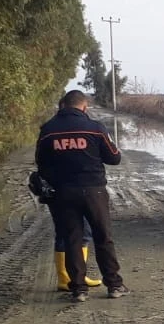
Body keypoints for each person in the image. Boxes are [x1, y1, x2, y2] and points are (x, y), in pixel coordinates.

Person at [35, 89, 126, 302]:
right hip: (94, 190)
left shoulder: (48, 130)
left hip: (63, 192)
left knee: (72, 239)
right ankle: (114, 285)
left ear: (64, 105)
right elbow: (114, 158)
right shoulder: (95, 129)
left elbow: (41, 162)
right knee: (103, 237)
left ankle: (78, 289)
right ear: (84, 107)